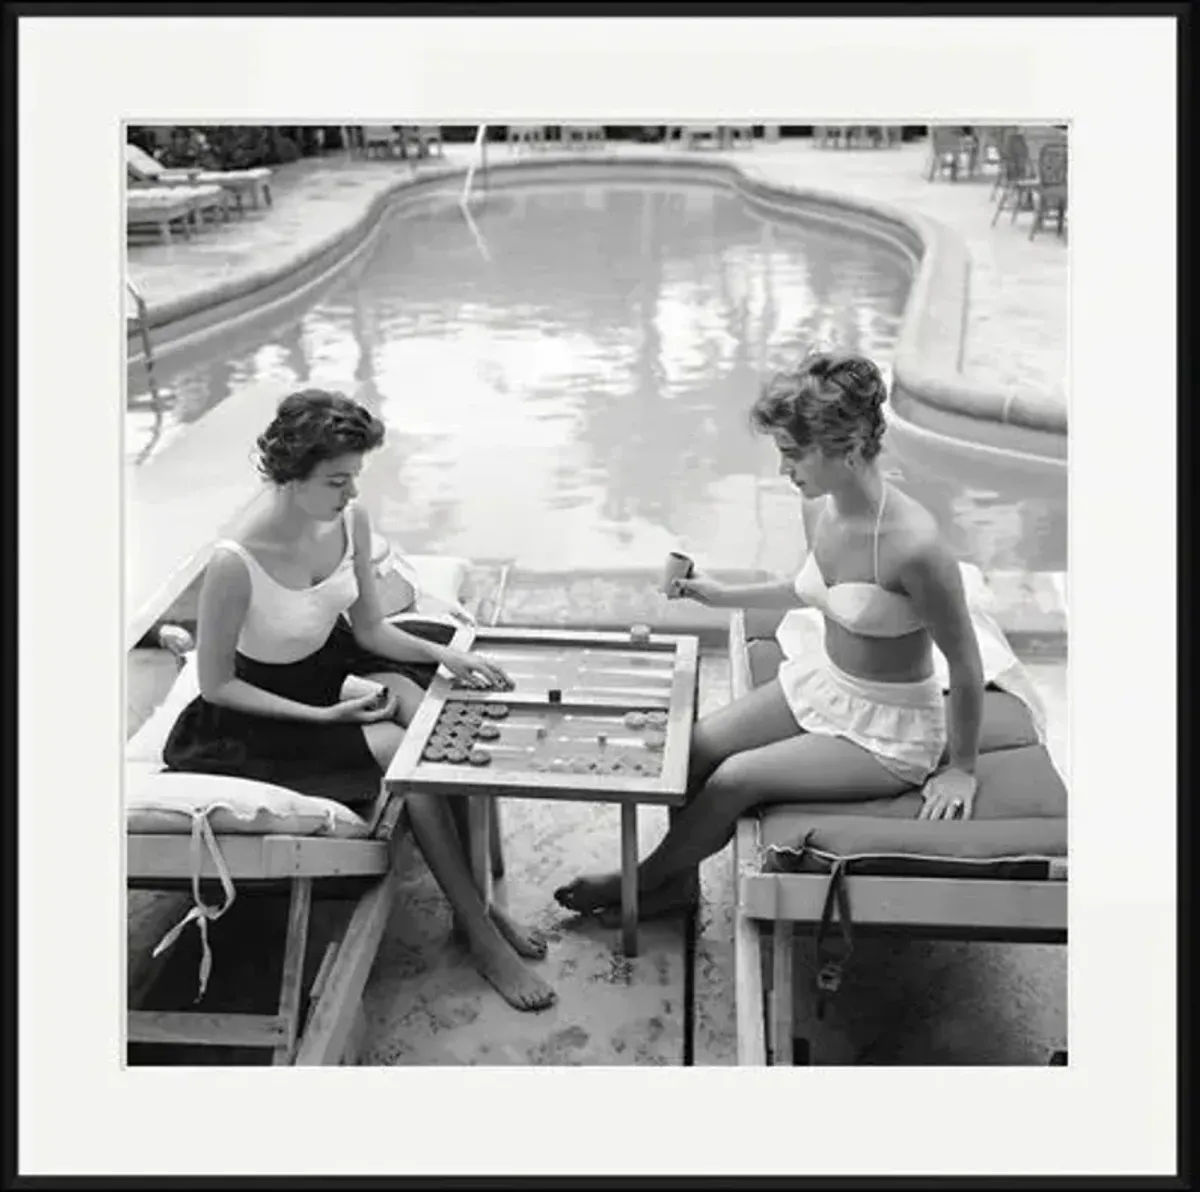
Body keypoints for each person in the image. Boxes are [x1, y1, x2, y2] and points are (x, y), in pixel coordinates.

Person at [555, 349, 1045, 923]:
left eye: (794, 454)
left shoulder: (915, 546)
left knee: (736, 778)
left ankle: (641, 880)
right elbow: (810, 587)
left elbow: (962, 665)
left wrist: (960, 767)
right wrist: (718, 594)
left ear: (851, 445)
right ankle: (676, 885)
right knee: (693, 750)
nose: (784, 470)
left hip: (887, 731)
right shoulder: (821, 507)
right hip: (824, 685)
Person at [163, 388, 555, 1012]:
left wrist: (445, 656)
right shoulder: (235, 563)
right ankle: (479, 933)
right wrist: (321, 716)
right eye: (336, 480)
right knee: (407, 754)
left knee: (447, 709)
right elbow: (217, 686)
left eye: (354, 478)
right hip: (256, 715)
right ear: (289, 475)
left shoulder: (349, 520)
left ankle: (479, 904)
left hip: (330, 667)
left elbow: (370, 630)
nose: (350, 494)